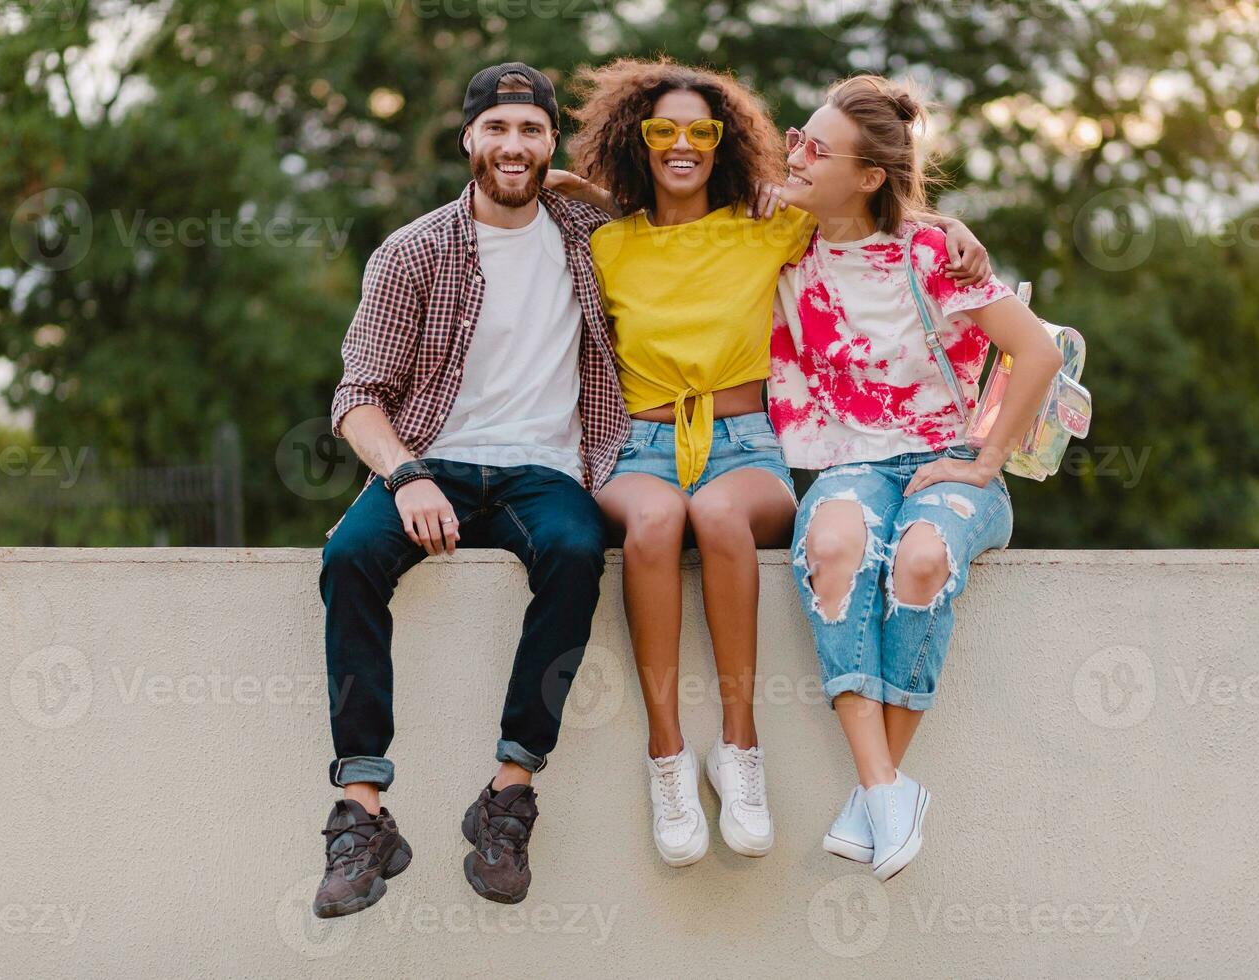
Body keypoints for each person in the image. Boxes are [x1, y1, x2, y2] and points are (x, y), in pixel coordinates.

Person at [552, 57, 991, 867]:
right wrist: (582, 193)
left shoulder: (769, 223)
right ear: (634, 141)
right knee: (653, 525)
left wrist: (956, 231)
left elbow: (877, 209)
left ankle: (740, 750)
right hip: (641, 446)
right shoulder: (605, 243)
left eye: (700, 131)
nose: (681, 143)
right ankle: (667, 757)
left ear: (724, 143)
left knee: (718, 515)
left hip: (744, 445)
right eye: (661, 131)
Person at [311, 62, 628, 915]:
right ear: (468, 139)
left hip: (548, 471)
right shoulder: (414, 250)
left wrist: (558, 178)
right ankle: (363, 810)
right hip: (436, 464)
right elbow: (357, 396)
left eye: (531, 131)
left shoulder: (591, 234)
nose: (513, 146)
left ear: (551, 141)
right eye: (497, 130)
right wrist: (407, 474)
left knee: (575, 551)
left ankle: (508, 795)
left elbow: (678, 199)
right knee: (347, 558)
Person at [770, 75, 1062, 880]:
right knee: (834, 547)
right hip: (846, 463)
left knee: (922, 558)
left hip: (948, 463)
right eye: (797, 136)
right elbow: (670, 193)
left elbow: (1035, 351)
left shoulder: (932, 252)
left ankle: (876, 795)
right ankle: (886, 789)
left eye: (815, 150)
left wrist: (986, 457)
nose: (795, 154)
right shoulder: (778, 237)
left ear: (868, 177)